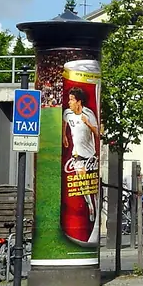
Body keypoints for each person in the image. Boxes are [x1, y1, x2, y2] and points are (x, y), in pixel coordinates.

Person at [62, 86, 99, 223]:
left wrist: (87, 123)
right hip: (76, 155)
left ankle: (94, 205)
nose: (69, 102)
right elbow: (64, 122)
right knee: (82, 185)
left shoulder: (88, 114)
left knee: (91, 186)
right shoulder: (67, 113)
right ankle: (90, 207)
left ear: (79, 102)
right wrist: (64, 136)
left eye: (72, 100)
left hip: (90, 155)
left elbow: (97, 133)